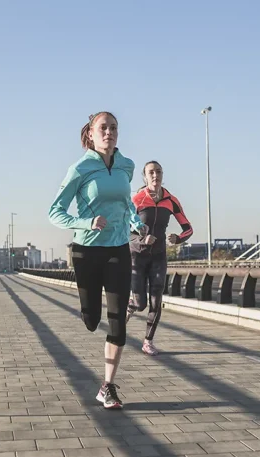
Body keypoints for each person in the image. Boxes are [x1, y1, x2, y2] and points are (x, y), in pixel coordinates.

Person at [49, 111, 148, 410]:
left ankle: (107, 387)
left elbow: (126, 203)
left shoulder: (126, 166)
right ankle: (89, 313)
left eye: (114, 128)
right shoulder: (80, 169)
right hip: (87, 252)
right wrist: (86, 222)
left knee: (117, 324)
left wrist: (136, 223)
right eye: (103, 128)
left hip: (118, 249)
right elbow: (55, 212)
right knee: (92, 320)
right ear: (91, 134)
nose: (109, 132)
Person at [126, 161, 193, 355]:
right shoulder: (137, 200)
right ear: (145, 177)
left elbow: (188, 228)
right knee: (141, 304)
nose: (155, 175)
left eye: (159, 172)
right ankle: (131, 306)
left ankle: (148, 341)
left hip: (159, 257)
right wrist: (142, 239)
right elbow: (124, 231)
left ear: (162, 175)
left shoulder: (171, 201)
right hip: (137, 256)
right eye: (151, 172)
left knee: (156, 301)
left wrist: (178, 239)